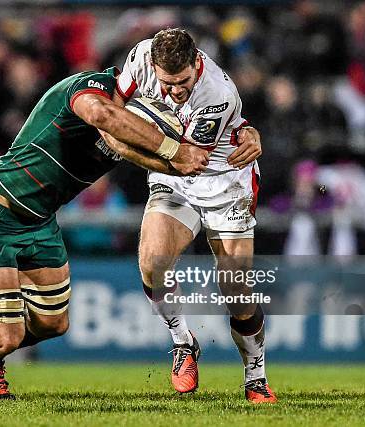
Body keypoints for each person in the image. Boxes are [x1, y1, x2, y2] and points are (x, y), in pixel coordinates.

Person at [0, 66, 210, 403]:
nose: (171, 91)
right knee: (2, 335)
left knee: (53, 324)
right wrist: (175, 152)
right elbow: (102, 115)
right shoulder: (91, 89)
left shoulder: (132, 119)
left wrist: (187, 159)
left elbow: (130, 149)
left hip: (39, 221)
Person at [112, 28, 275, 403]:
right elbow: (115, 104)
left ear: (196, 63)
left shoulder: (215, 93)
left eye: (183, 82)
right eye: (167, 83)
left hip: (224, 180)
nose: (175, 91)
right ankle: (183, 343)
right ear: (154, 65)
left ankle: (255, 376)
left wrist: (128, 140)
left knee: (236, 288)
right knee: (152, 262)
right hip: (174, 178)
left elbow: (190, 159)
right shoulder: (139, 57)